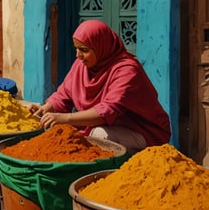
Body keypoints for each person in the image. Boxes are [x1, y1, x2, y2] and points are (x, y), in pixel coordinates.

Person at [31, 19, 171, 153]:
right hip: (105, 124)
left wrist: (64, 118)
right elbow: (64, 94)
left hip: (142, 130)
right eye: (76, 49)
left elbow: (107, 111)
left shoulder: (127, 70)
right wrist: (45, 109)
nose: (78, 55)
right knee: (53, 128)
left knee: (99, 136)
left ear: (101, 47)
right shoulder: (82, 65)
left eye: (84, 50)